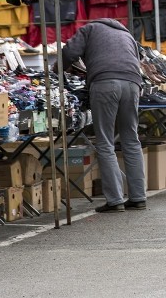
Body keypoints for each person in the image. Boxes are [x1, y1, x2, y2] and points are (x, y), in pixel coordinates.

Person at [59, 19, 145, 213]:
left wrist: (57, 72)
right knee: (131, 139)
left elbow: (69, 53)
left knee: (105, 141)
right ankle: (138, 197)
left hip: (105, 83)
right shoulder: (126, 35)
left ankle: (115, 200)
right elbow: (139, 58)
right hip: (133, 84)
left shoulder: (89, 28)